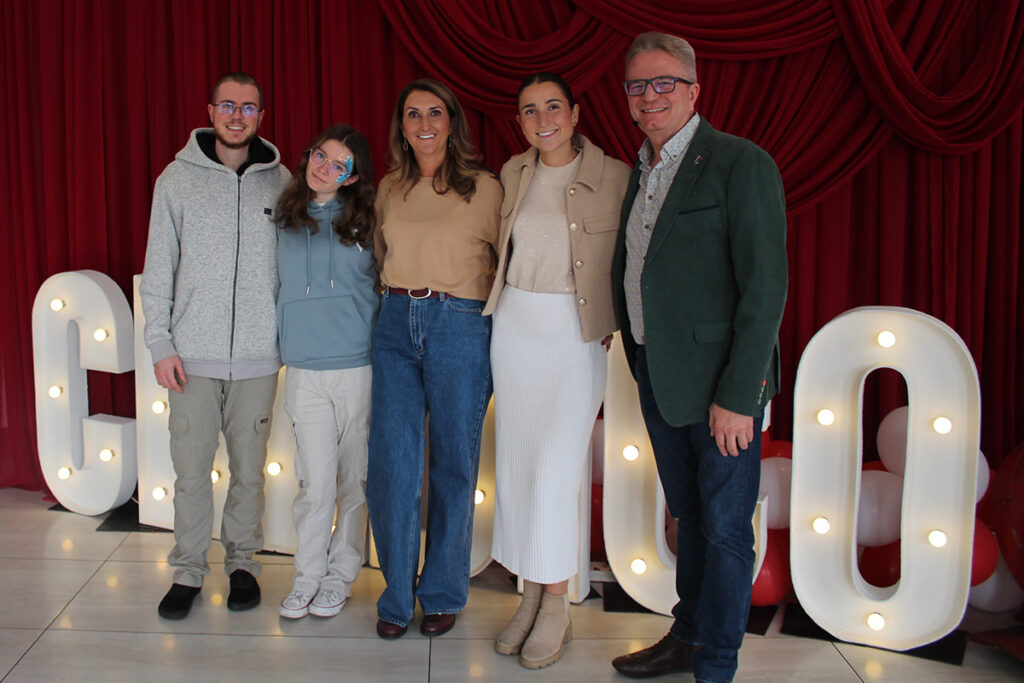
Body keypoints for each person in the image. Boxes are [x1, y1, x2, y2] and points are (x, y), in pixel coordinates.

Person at [609, 33, 788, 683]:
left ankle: (716, 663)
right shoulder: (642, 168)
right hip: (659, 375)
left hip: (723, 391)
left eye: (663, 84)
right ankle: (687, 634)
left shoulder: (740, 164)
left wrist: (742, 393)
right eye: (637, 87)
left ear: (693, 90)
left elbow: (765, 286)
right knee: (688, 514)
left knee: (724, 528)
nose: (649, 97)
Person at [483, 72, 630, 669]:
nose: (541, 119)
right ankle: (530, 595)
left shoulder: (617, 176)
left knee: (556, 471)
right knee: (517, 469)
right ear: (519, 122)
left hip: (574, 334)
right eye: (528, 111)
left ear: (573, 113)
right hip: (514, 325)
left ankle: (557, 603)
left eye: (552, 107)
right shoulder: (513, 173)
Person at [140, 72, 291, 620]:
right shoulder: (175, 181)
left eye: (248, 107)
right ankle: (187, 570)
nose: (236, 115)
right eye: (227, 105)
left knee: (249, 471)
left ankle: (243, 564)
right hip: (191, 357)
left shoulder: (282, 182)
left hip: (257, 356)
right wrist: (160, 342)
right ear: (210, 110)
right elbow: (159, 267)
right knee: (191, 472)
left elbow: (293, 269)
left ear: (260, 117)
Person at [366, 79, 502, 640]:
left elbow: (508, 263)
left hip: (459, 324)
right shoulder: (389, 187)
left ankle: (442, 591)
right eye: (413, 114)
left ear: (452, 123)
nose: (425, 123)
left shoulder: (485, 188)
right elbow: (379, 254)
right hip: (396, 321)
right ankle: (397, 595)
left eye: (435, 113)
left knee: (454, 464)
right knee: (394, 467)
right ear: (402, 125)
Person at [274, 125, 379, 620]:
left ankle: (340, 577)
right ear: (308, 156)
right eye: (321, 155)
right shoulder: (283, 218)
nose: (325, 167)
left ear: (353, 176)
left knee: (354, 481)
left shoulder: (368, 220)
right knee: (314, 485)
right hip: (303, 368)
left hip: (358, 366)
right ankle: (307, 576)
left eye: (339, 164)